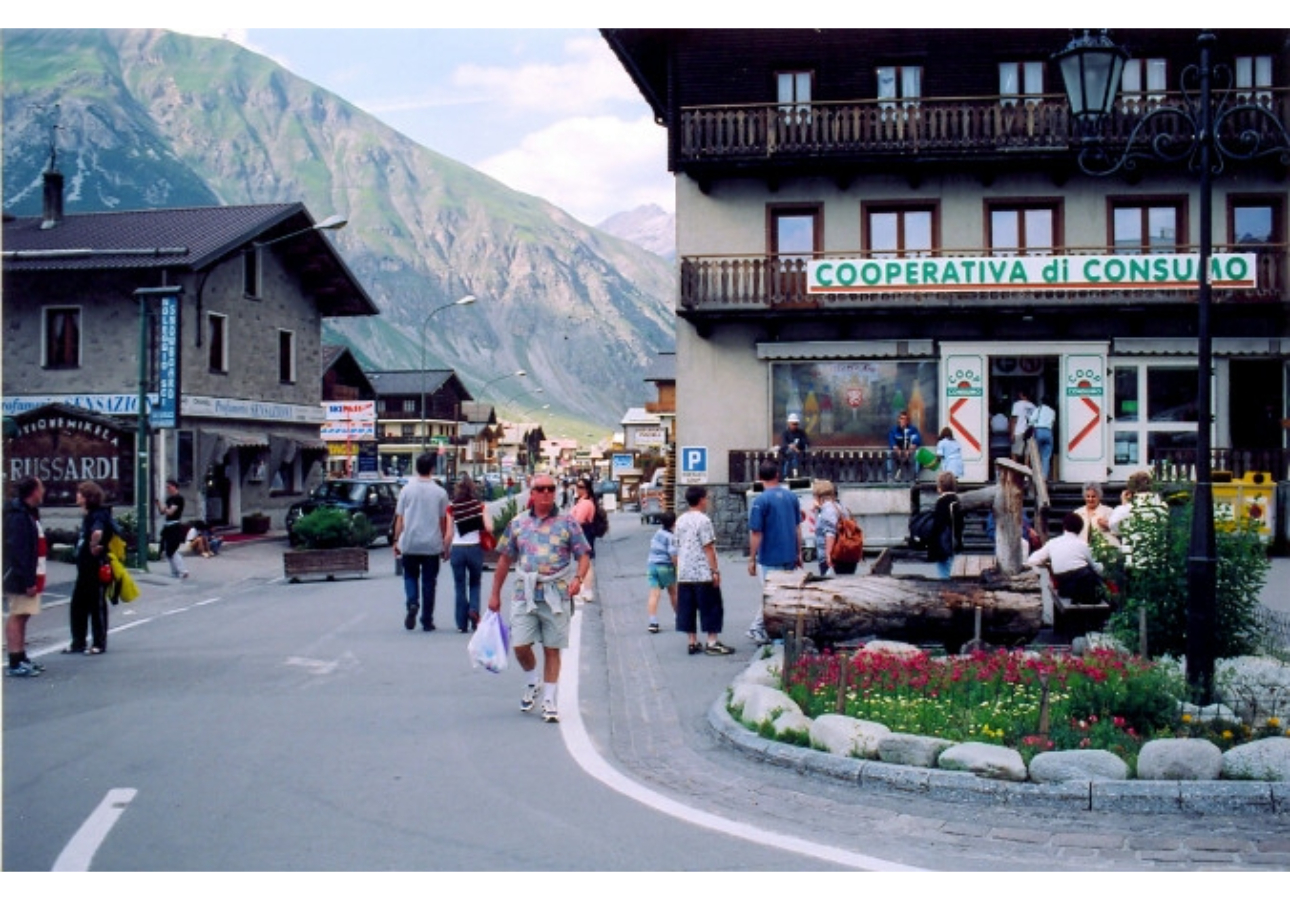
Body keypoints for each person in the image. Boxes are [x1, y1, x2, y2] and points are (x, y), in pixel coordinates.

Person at [487, 473, 591, 724]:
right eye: (541, 489)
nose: (546, 493)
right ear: (532, 494)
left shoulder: (568, 522)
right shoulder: (518, 523)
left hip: (556, 592)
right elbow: (504, 559)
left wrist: (578, 579)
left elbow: (584, 554)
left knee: (552, 648)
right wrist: (494, 594)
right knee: (520, 645)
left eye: (550, 489)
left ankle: (549, 699)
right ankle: (533, 680)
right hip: (525, 593)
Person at [393, 452, 453, 632]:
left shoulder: (406, 490)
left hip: (410, 542)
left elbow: (400, 518)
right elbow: (443, 520)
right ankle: (427, 619)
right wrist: (444, 543)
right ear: (432, 469)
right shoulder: (440, 492)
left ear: (416, 468)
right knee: (429, 582)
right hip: (432, 544)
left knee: (410, 576)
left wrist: (396, 540)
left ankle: (412, 602)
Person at [745, 459, 802, 645]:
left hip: (770, 555)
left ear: (759, 478)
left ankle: (761, 629)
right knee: (784, 595)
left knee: (770, 596)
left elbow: (756, 532)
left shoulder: (760, 501)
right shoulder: (791, 497)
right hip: (789, 554)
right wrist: (799, 552)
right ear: (777, 475)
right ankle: (772, 632)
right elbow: (797, 527)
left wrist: (752, 558)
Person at [673, 486, 733, 655]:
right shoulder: (703, 521)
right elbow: (708, 547)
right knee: (711, 606)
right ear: (700, 500)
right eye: (706, 498)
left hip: (685, 571)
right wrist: (715, 571)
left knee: (688, 607)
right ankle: (712, 641)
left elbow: (677, 545)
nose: (707, 501)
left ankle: (692, 641)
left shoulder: (680, 520)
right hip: (702, 571)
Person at [4, 477, 47, 677]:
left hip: (31, 573)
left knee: (24, 615)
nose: (44, 491)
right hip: (21, 577)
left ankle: (21, 656)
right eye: (41, 488)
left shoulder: (27, 513)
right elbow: (18, 550)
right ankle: (14, 660)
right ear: (33, 492)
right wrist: (27, 580)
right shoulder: (19, 516)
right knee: (18, 615)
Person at [67, 480, 113, 655]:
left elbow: (97, 532)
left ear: (87, 497)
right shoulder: (89, 515)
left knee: (96, 604)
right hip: (85, 567)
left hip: (95, 565)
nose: (77, 496)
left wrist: (93, 545)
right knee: (78, 604)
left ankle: (98, 643)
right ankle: (78, 641)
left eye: (80, 493)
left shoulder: (98, 515)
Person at [1027, 512, 1106, 605]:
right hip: (1083, 583)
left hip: (1064, 587)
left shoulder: (1052, 543)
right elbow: (1097, 568)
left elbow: (1031, 560)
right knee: (1096, 577)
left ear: (1064, 527)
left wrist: (1048, 566)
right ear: (1080, 529)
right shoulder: (1082, 545)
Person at [448, 475, 491, 634]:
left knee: (459, 586)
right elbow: (489, 527)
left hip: (458, 549)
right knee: (475, 583)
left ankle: (461, 623)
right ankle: (473, 610)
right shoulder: (479, 506)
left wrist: (446, 551)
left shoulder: (452, 507)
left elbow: (448, 533)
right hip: (474, 548)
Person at [1108, 470, 1169, 570]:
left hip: (1134, 563)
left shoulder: (1127, 509)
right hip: (1158, 562)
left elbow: (1114, 527)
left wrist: (1124, 504)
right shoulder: (1163, 508)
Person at [926, 471, 964, 579]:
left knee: (944, 574)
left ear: (940, 487)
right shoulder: (957, 500)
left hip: (943, 545)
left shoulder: (941, 502)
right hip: (955, 542)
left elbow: (937, 525)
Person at [645, 511, 678, 634]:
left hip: (652, 566)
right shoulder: (671, 537)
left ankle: (653, 622)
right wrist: (678, 566)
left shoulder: (658, 533)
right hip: (665, 567)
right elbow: (673, 554)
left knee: (654, 594)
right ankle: (678, 616)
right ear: (674, 523)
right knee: (673, 593)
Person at [570, 476, 600, 601]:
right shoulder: (582, 501)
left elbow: (578, 520)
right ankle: (583, 589)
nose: (578, 489)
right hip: (582, 532)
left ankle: (587, 591)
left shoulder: (586, 503)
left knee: (586, 562)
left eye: (581, 487)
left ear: (587, 489)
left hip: (584, 532)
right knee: (583, 562)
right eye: (577, 486)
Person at [156, 478, 190, 579]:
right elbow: (163, 512)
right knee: (167, 550)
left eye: (169, 487)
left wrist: (166, 509)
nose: (167, 489)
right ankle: (175, 571)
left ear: (174, 487)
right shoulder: (169, 499)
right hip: (168, 526)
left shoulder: (178, 498)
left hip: (175, 525)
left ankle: (183, 570)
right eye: (167, 487)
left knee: (172, 549)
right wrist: (158, 504)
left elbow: (171, 512)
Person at [1074, 482, 1118, 547]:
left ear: (1099, 497)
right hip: (1082, 549)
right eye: (1088, 496)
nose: (1090, 499)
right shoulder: (1077, 513)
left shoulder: (1108, 511)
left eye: (1093, 496)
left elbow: (1117, 531)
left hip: (1103, 549)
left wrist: (1108, 526)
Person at [886, 410, 923, 480]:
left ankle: (915, 476)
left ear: (908, 421)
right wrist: (899, 451)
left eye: (905, 419)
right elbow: (892, 444)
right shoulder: (894, 430)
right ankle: (890, 476)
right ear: (898, 420)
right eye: (902, 418)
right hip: (898, 453)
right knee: (888, 453)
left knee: (918, 453)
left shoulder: (913, 430)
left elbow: (916, 441)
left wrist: (909, 451)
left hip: (909, 453)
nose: (903, 421)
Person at [1028, 398, 1057, 480]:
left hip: (1039, 431)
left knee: (1037, 455)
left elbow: (1031, 420)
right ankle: (1044, 477)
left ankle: (1036, 475)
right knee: (1046, 456)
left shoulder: (1039, 409)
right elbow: (1053, 422)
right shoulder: (1052, 411)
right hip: (1048, 432)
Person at [779, 412, 810, 479]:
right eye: (793, 424)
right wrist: (790, 446)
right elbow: (783, 444)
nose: (795, 426)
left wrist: (798, 448)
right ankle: (786, 475)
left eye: (796, 424)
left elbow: (806, 442)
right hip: (787, 456)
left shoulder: (801, 433)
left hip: (800, 455)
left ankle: (797, 474)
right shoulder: (785, 433)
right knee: (790, 458)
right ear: (789, 424)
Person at [1010, 388, 1036, 462]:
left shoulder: (1017, 405)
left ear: (1021, 394)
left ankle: (1014, 471)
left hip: (1018, 431)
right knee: (1027, 455)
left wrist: (1012, 434)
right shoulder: (1033, 406)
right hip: (1030, 432)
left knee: (1014, 453)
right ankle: (1026, 471)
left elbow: (1014, 420)